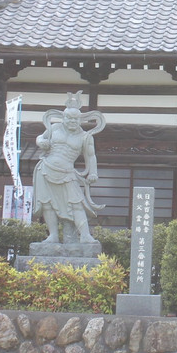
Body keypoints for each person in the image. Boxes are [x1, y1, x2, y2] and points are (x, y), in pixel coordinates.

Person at [32, 93, 105, 245]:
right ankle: (53, 235)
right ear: (63, 118)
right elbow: (40, 137)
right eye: (69, 118)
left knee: (76, 203)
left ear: (80, 120)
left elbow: (91, 156)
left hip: (67, 173)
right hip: (45, 169)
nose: (72, 121)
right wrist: (41, 142)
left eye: (75, 118)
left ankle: (85, 235)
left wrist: (93, 172)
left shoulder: (85, 137)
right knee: (47, 204)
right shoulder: (54, 128)